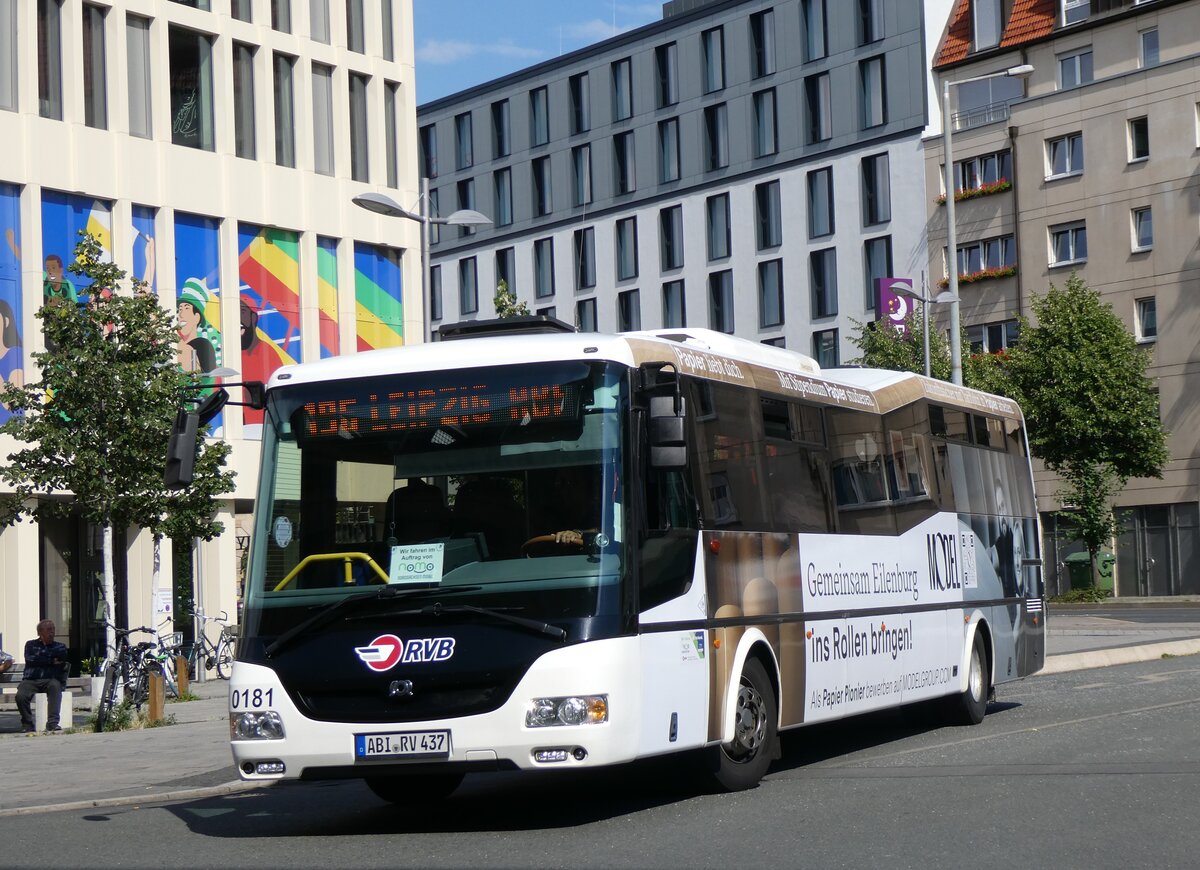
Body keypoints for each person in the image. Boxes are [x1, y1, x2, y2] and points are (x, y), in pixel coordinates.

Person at [16, 619, 70, 732]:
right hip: (31, 679)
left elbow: (62, 657)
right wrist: (51, 660)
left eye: (53, 629)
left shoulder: (60, 646)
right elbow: (31, 659)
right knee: (21, 695)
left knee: (55, 687)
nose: (52, 632)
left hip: (50, 679)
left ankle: (52, 723)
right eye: (49, 630)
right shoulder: (30, 645)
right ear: (40, 632)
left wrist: (41, 658)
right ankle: (27, 723)